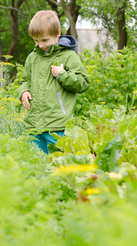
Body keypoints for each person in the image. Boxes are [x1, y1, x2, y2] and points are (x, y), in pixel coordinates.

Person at [16, 10, 90, 154]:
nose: (40, 45)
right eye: (36, 41)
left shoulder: (69, 56)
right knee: (35, 162)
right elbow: (25, 80)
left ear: (58, 33)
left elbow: (83, 82)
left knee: (57, 162)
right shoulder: (32, 58)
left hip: (57, 125)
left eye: (44, 40)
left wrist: (61, 75)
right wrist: (23, 91)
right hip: (34, 123)